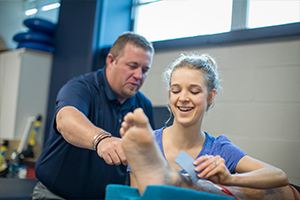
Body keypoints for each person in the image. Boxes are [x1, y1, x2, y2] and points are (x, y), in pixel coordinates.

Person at [120, 53, 300, 200]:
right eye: (176, 90)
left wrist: (230, 179)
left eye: (194, 91)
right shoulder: (147, 144)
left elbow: (279, 176)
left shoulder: (219, 149)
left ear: (210, 96)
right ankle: (178, 184)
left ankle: (183, 184)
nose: (183, 97)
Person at [33, 32, 155, 200]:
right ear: (111, 61)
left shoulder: (144, 106)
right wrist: (101, 139)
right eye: (132, 66)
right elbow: (65, 119)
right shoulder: (81, 88)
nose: (139, 75)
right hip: (56, 194)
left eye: (145, 69)